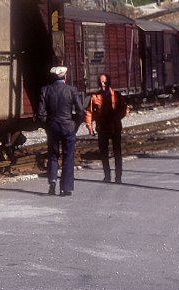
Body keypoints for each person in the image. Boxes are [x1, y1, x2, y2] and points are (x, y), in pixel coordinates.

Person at [37, 65, 84, 197]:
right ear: (65, 76)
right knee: (68, 157)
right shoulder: (71, 90)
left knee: (53, 155)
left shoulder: (45, 90)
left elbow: (40, 113)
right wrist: (75, 125)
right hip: (68, 127)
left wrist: (47, 126)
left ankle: (52, 182)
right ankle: (65, 188)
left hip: (52, 127)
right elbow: (80, 111)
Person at [84, 73, 129, 183]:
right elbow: (89, 112)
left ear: (109, 82)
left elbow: (125, 108)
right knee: (104, 154)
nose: (103, 84)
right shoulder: (95, 97)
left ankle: (118, 177)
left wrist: (117, 117)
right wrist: (89, 127)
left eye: (105, 82)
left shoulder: (116, 95)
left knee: (117, 154)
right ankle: (107, 176)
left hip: (115, 128)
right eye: (101, 82)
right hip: (102, 129)